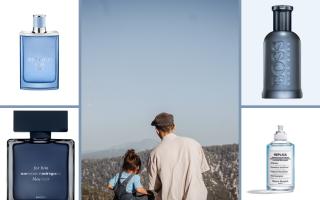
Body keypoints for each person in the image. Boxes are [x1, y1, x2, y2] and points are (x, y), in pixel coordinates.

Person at [147, 112, 210, 200]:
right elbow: (202, 170)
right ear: (174, 127)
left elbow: (155, 186)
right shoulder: (194, 144)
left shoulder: (154, 154)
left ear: (157, 131)